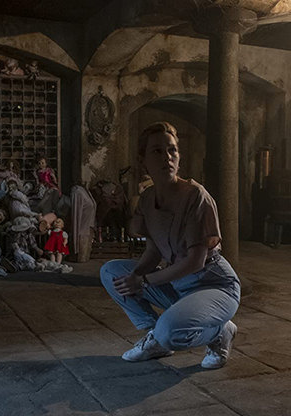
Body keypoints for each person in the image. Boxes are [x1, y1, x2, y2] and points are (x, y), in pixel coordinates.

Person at [100, 121, 240, 369]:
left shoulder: (195, 196)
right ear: (143, 160)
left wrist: (143, 281)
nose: (167, 157)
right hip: (178, 284)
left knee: (171, 333)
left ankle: (220, 332)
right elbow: (154, 251)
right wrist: (135, 276)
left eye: (172, 150)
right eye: (157, 151)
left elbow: (195, 261)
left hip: (214, 284)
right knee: (112, 272)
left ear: (178, 156)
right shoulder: (147, 199)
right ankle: (156, 337)